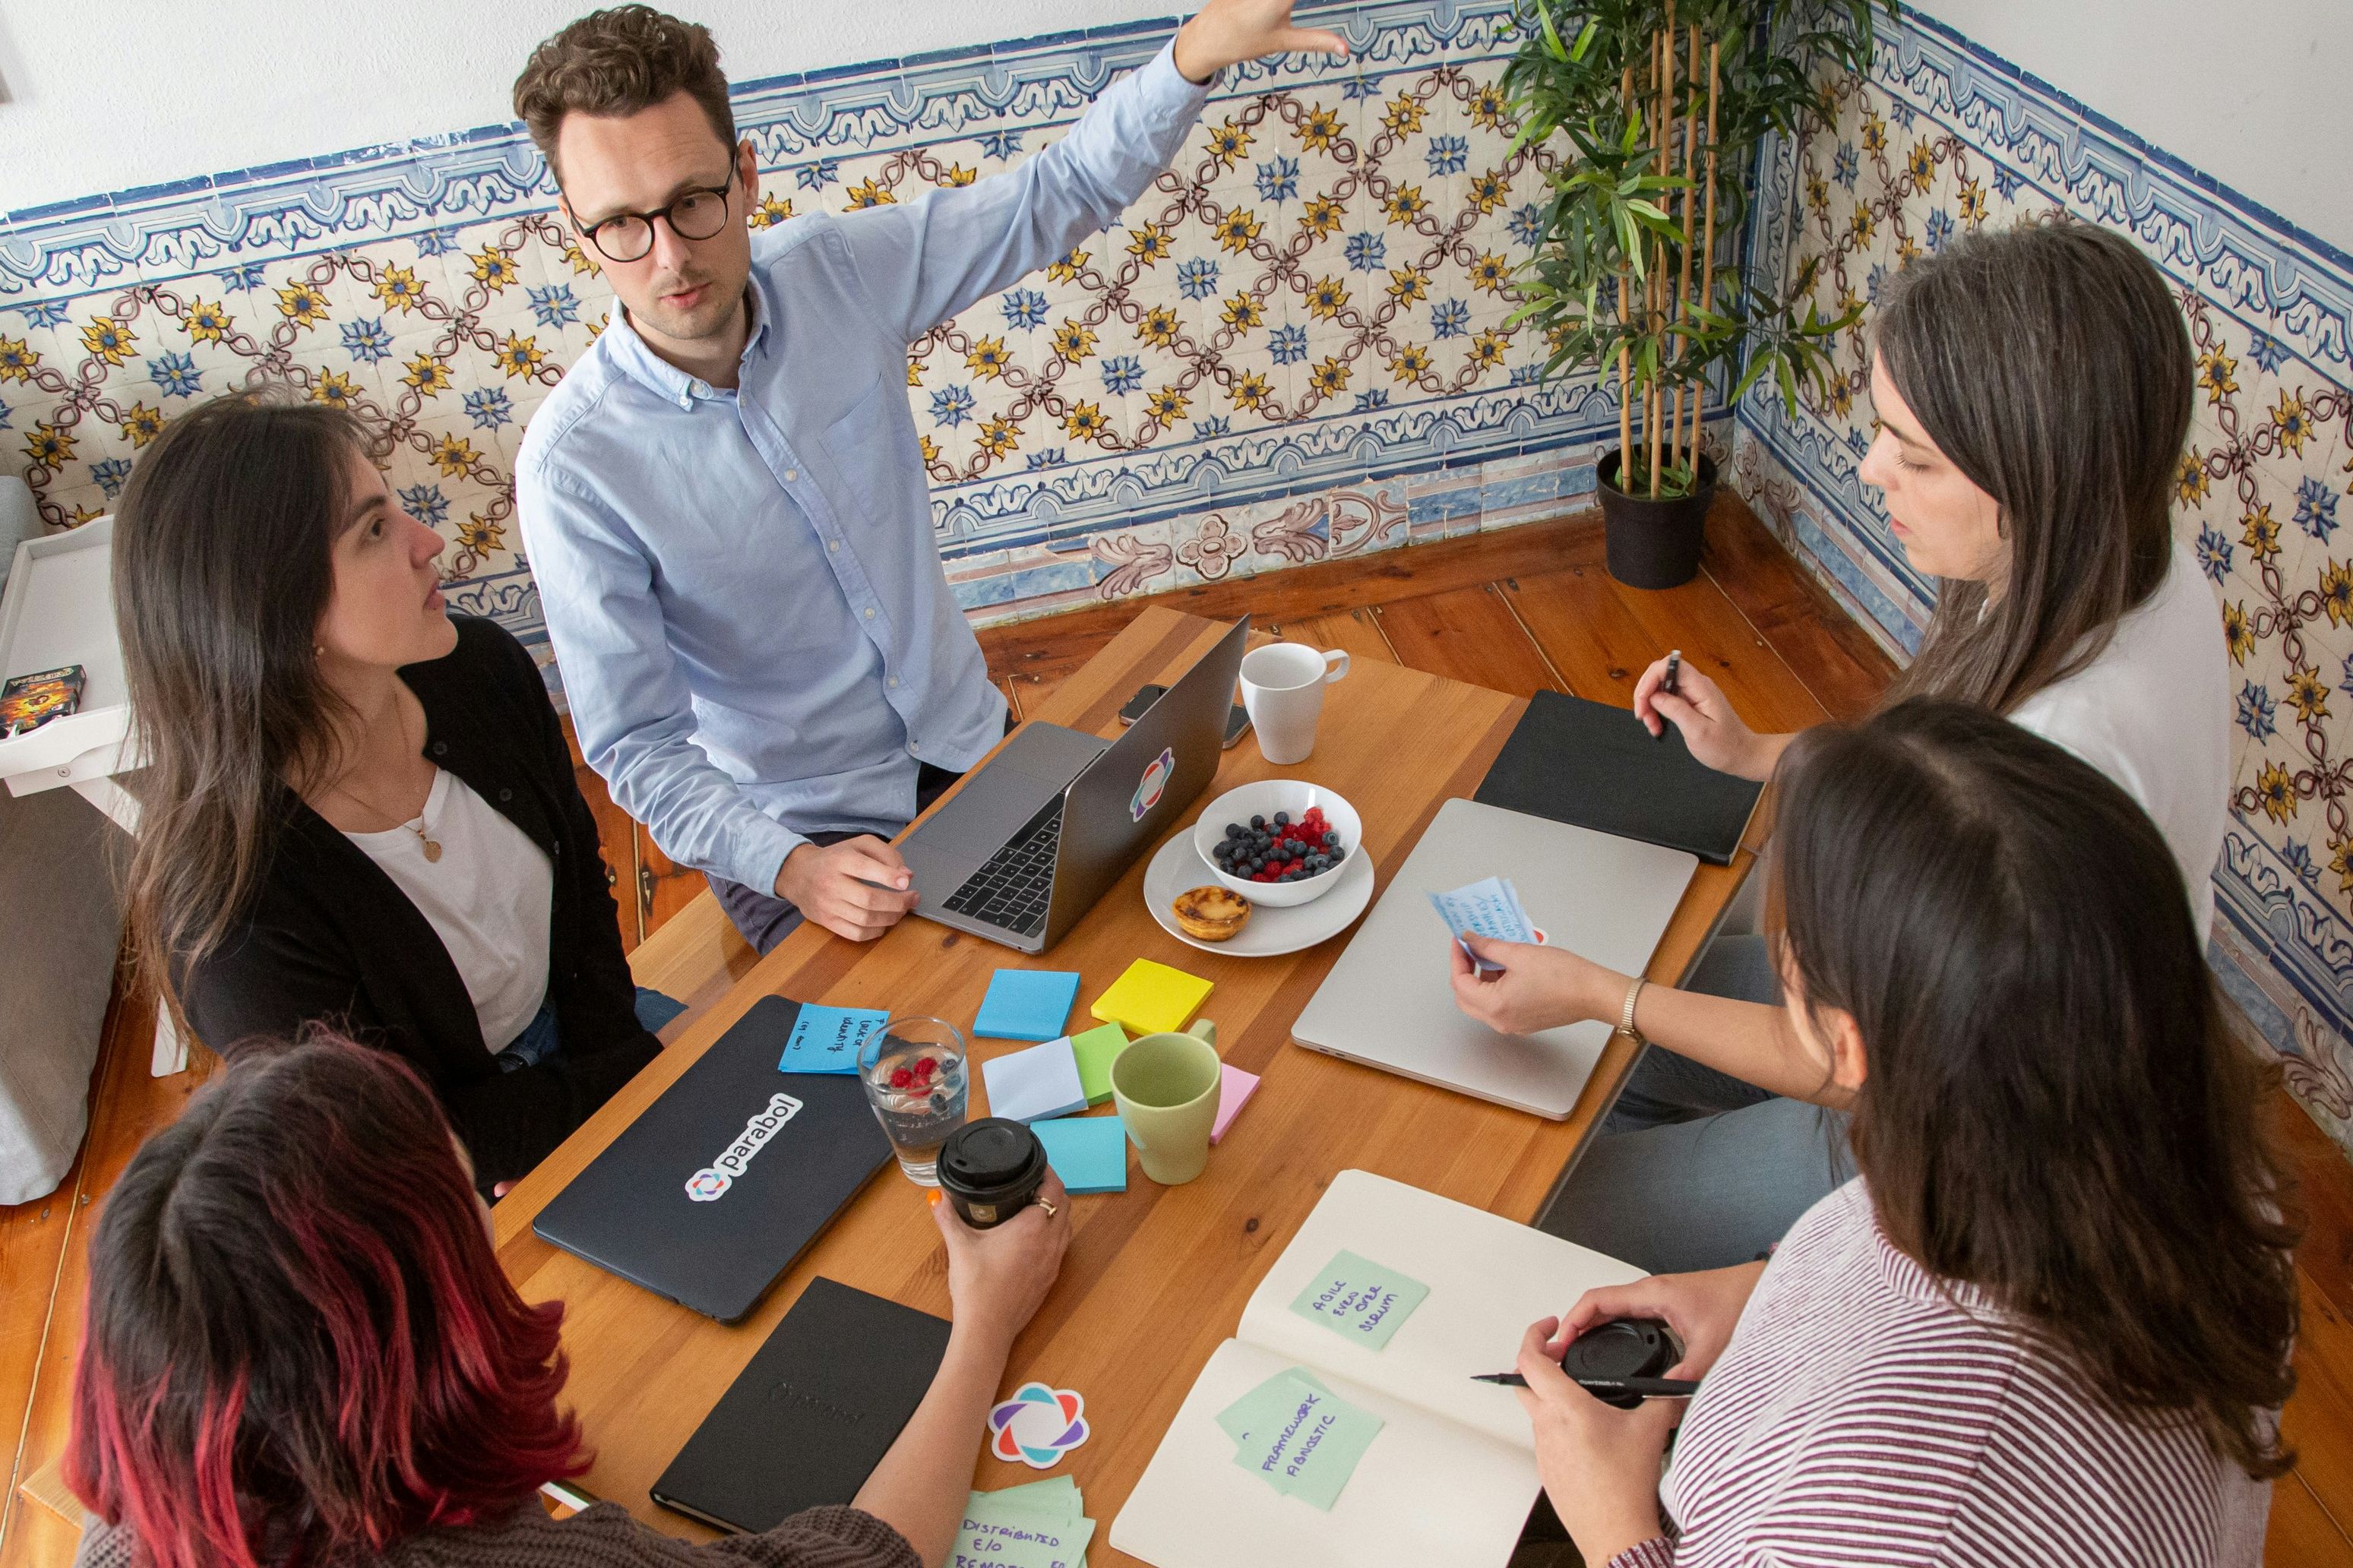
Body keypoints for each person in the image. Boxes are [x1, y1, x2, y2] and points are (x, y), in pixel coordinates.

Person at [1466, 218, 2230, 1272]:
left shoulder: (2067, 751)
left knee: (1523, 1210)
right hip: (1936, 1040)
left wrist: (1606, 996)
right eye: (1884, 432)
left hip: (1957, 1160)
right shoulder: (2139, 565)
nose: (1872, 470)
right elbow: (1942, 786)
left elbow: (1840, 1063)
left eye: (1914, 457)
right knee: (1593, 1058)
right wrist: (1756, 751)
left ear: (2036, 481)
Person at [511, 4, 1346, 956]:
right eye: (621, 223)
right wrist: (791, 868)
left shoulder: (838, 273)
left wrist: (1191, 57)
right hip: (803, 835)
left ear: (745, 179)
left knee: (1136, 960)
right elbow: (639, 747)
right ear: (578, 232)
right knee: (915, 1064)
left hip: (969, 746)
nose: (668, 257)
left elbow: (1054, 193)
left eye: (692, 201)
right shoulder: (571, 468)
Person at [1507, 700, 2295, 1568]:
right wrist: (1768, 1292)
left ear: (1848, 1046)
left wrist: (1614, 1525)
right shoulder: (2169, 1147)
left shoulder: (1897, 1509)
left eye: (1793, 945)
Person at [65, 1033, 1070, 1568]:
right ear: (412, 1325)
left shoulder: (125, 1534)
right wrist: (984, 1323)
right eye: (471, 1201)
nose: (496, 1207)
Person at [114, 393, 662, 1197]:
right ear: (276, 610)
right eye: (374, 530)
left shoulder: (480, 668)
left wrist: (629, 1066)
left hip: (586, 1055)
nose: (428, 542)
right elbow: (399, 1150)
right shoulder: (230, 918)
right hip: (431, 1183)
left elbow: (583, 908)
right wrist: (616, 1098)